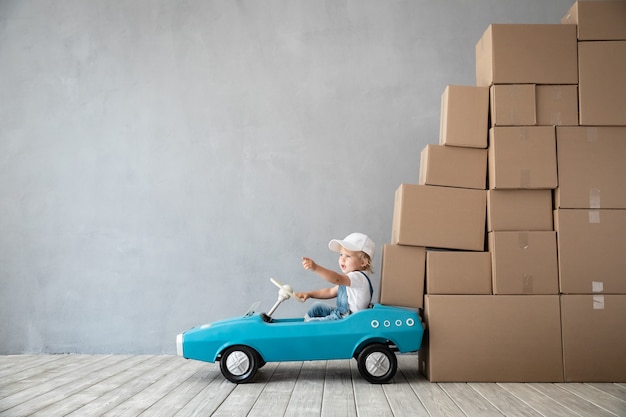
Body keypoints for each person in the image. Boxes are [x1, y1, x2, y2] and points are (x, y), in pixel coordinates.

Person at [295, 232, 374, 321]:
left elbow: (336, 279)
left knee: (313, 323)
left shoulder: (358, 278)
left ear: (363, 262)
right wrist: (309, 294)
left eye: (348, 256)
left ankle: (307, 328)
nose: (342, 259)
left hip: (349, 321)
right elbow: (330, 291)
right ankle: (305, 323)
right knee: (317, 307)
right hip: (340, 314)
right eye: (341, 255)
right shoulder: (349, 279)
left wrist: (316, 268)